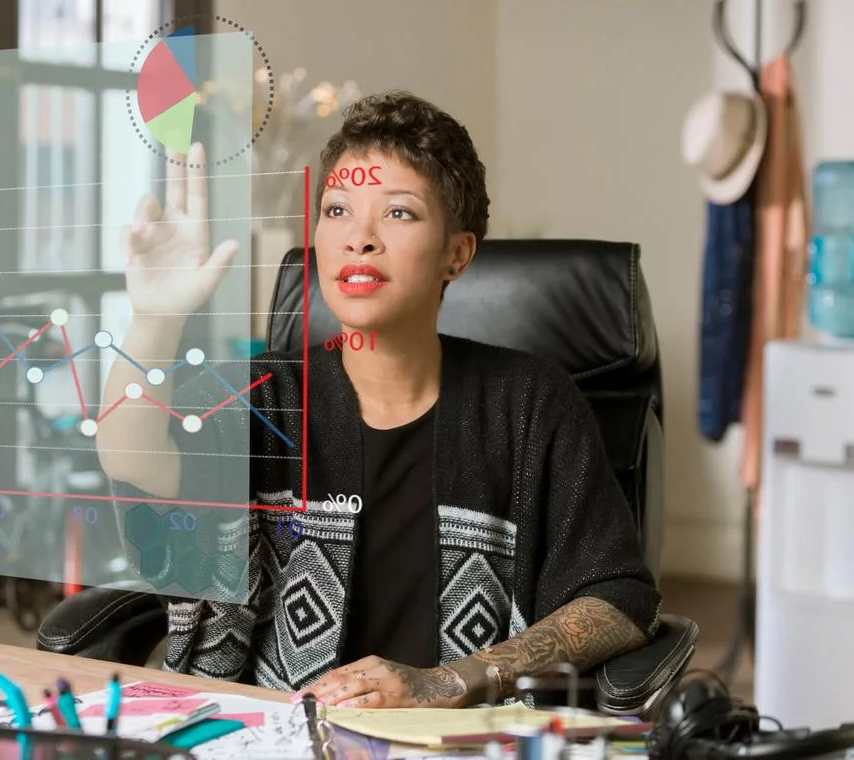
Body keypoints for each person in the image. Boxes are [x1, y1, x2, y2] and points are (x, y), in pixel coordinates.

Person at [96, 91, 660, 709]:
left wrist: (445, 683)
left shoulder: (528, 403)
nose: (358, 238)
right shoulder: (265, 397)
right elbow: (132, 453)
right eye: (337, 210)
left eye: (398, 214)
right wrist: (154, 319)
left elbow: (617, 598)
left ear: (457, 253)